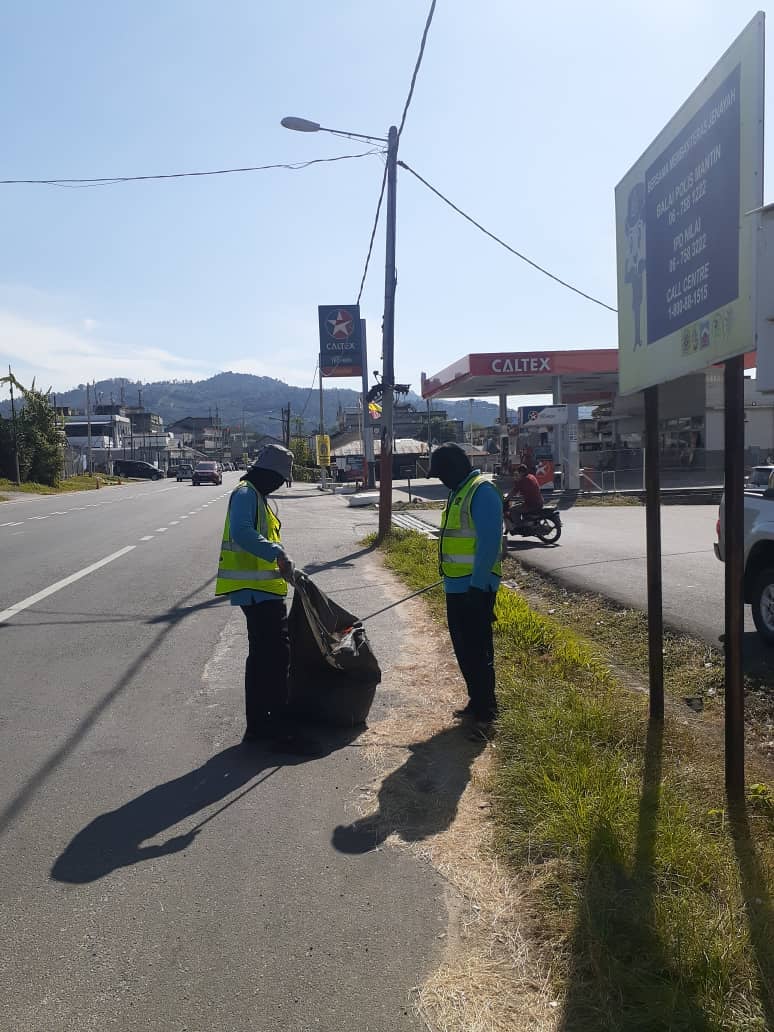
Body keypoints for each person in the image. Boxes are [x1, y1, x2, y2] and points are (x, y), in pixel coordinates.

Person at [214, 444, 313, 754]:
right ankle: (280, 731)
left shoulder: (256, 496)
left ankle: (257, 725)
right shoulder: (245, 494)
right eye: (280, 478)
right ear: (268, 474)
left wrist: (283, 568)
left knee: (261, 659)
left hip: (263, 591)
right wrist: (278, 553)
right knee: (274, 660)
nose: (281, 484)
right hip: (257, 594)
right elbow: (243, 533)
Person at [429, 443, 503, 734]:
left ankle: (487, 712)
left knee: (477, 650)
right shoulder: (458, 490)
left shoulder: (482, 491)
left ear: (455, 467)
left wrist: (477, 586)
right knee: (463, 649)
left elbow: (488, 543)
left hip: (475, 587)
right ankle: (477, 700)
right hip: (456, 585)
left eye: (441, 473)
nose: (439, 479)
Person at [504, 463, 543, 530]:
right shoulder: (531, 476)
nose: (518, 474)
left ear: (521, 472)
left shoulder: (523, 480)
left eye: (518, 473)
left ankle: (519, 526)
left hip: (532, 504)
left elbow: (514, 491)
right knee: (518, 504)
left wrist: (506, 499)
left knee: (513, 510)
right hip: (539, 501)